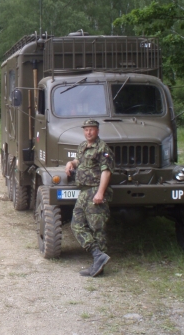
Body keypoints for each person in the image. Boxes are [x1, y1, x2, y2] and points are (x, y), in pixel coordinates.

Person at [65, 119, 114, 277]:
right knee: (76, 225)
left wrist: (100, 192)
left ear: (97, 131)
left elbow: (106, 171)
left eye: (91, 129)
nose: (89, 132)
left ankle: (99, 265)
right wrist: (71, 163)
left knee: (97, 228)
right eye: (86, 130)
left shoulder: (102, 148)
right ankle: (97, 255)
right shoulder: (82, 146)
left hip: (94, 191)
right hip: (84, 192)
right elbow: (79, 160)